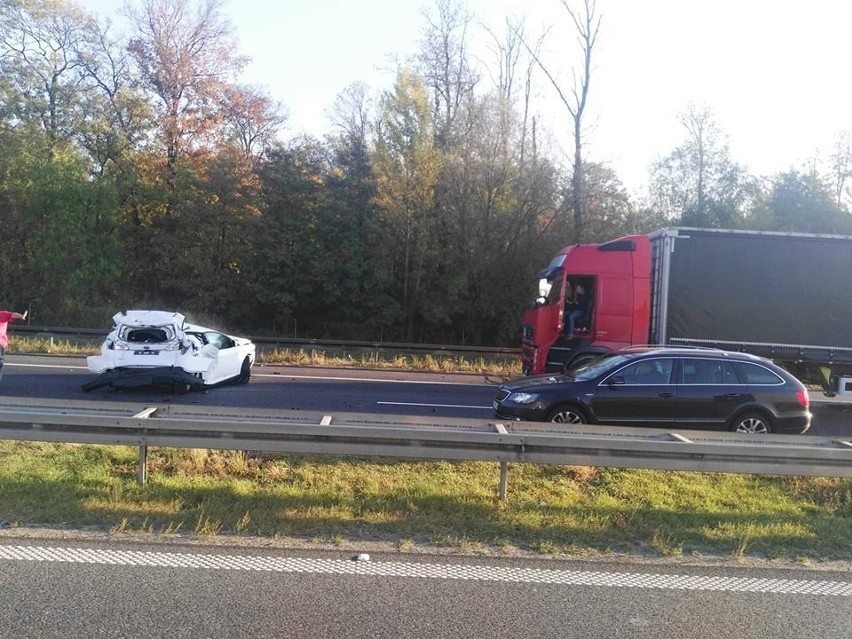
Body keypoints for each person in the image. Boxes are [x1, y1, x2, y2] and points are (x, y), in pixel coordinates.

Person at [0, 308, 27, 382]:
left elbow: (13, 314)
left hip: (0, 344)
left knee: (0, 364)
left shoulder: (2, 314)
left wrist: (21, 316)